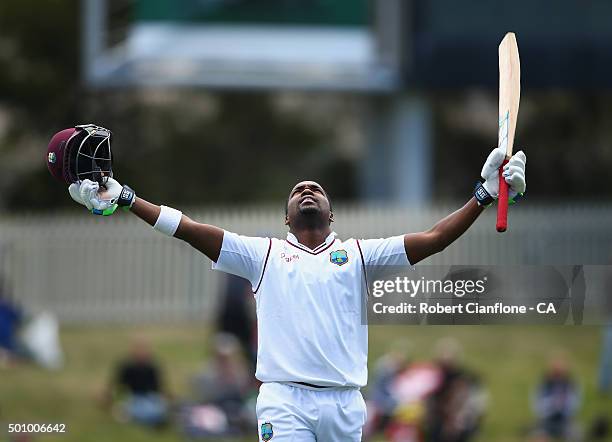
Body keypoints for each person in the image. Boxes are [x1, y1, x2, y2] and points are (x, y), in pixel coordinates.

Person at [49, 125, 527, 441]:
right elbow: (189, 228)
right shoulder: (265, 256)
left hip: (345, 404)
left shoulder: (360, 255)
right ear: (286, 218)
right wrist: (127, 197)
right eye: (298, 190)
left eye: (315, 188)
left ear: (331, 212)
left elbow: (435, 239)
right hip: (284, 401)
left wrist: (484, 194)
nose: (307, 189)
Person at [102, 338, 169, 428]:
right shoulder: (127, 367)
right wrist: (107, 397)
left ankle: (147, 419)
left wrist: (166, 397)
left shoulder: (153, 367)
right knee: (131, 409)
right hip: (135, 397)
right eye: (139, 350)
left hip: (151, 397)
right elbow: (115, 385)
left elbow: (160, 387)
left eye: (144, 349)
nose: (142, 353)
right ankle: (151, 420)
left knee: (157, 407)